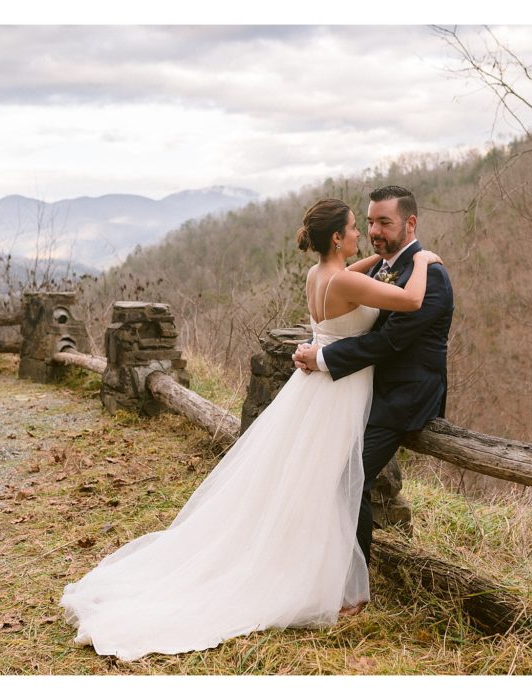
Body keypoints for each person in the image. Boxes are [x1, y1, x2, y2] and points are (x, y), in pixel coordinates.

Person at [59, 196, 443, 661]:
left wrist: (383, 260)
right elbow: (411, 299)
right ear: (339, 238)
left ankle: (316, 569)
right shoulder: (349, 280)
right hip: (340, 393)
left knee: (313, 479)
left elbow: (358, 272)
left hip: (319, 390)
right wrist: (421, 258)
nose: (364, 234)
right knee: (336, 481)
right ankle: (328, 582)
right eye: (356, 228)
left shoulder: (318, 275)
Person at [293, 185, 454, 601]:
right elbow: (352, 285)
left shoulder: (429, 275)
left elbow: (387, 344)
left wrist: (322, 358)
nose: (374, 231)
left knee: (350, 477)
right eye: (367, 223)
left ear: (410, 223)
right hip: (362, 389)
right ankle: (328, 575)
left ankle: (351, 588)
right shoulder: (383, 268)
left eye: (384, 222)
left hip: (404, 396)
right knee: (332, 474)